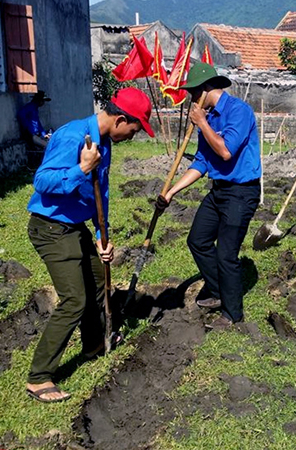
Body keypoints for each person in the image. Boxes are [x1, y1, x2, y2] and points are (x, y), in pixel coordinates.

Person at [26, 87, 154, 403]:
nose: (134, 136)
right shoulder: (74, 137)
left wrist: (101, 236)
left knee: (98, 283)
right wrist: (81, 168)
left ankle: (94, 342)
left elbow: (102, 195)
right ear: (121, 119)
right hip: (51, 227)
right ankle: (40, 377)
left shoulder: (104, 145)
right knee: (74, 299)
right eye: (135, 130)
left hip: (75, 226)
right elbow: (42, 181)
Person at [158, 63, 261, 330]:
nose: (192, 99)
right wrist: (171, 192)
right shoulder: (210, 117)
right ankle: (217, 290)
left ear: (205, 90)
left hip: (242, 192)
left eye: (193, 93)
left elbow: (226, 151)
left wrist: (202, 123)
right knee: (198, 240)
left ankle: (233, 314)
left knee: (227, 254)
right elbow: (202, 162)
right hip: (219, 191)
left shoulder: (238, 111)